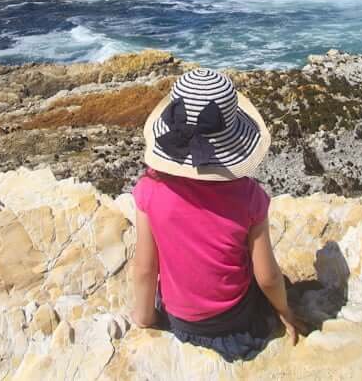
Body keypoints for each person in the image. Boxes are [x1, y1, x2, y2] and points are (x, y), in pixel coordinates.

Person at [130, 67, 308, 361]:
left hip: (180, 320)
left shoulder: (149, 189)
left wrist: (145, 318)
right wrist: (285, 311)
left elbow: (144, 269)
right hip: (234, 322)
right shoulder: (249, 197)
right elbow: (267, 277)